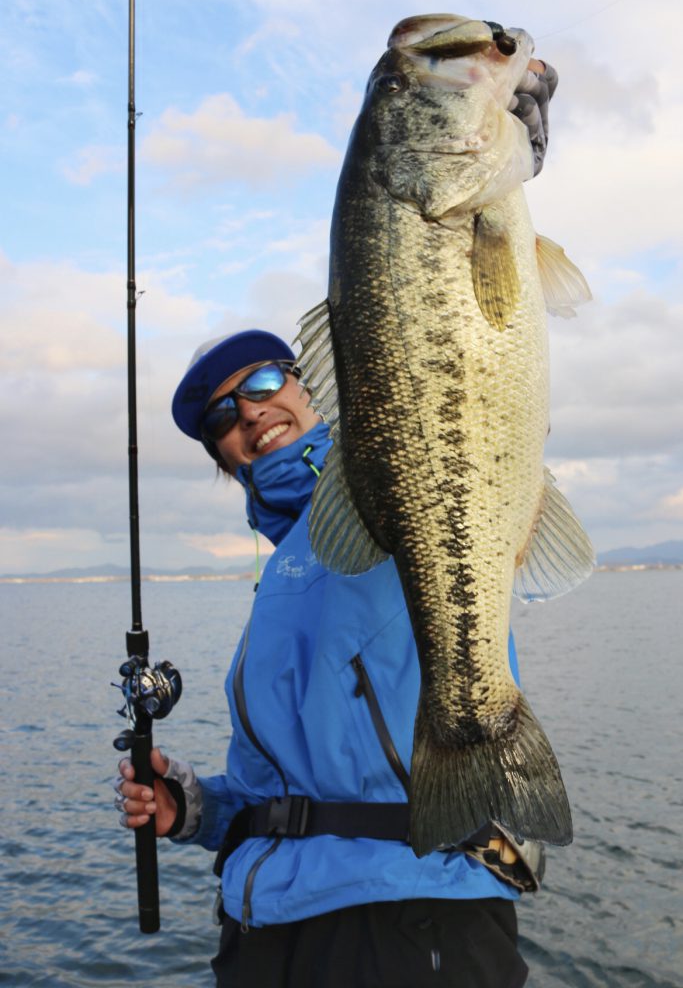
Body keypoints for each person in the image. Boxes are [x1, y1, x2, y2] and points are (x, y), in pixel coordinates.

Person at [115, 62, 558, 988]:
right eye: (221, 415)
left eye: (264, 380)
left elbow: (454, 350)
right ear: (222, 453)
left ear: (316, 381)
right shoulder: (280, 572)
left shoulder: (378, 484)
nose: (250, 411)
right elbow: (293, 783)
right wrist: (197, 809)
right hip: (263, 931)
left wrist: (503, 156)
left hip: (408, 918)